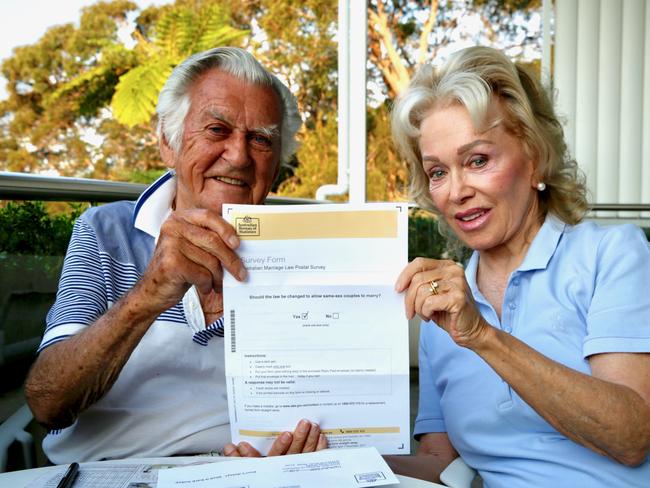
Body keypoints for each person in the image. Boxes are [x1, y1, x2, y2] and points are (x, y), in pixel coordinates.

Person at [24, 47, 326, 464]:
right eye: (217, 130)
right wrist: (150, 293)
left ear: (275, 167)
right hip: (115, 472)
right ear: (168, 142)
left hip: (251, 472)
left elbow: (333, 404)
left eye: (260, 139)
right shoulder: (105, 232)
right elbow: (48, 402)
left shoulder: (312, 256)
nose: (238, 156)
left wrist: (298, 449)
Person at [389, 46, 650, 486]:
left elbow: (631, 436)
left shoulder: (613, 253)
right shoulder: (440, 307)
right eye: (437, 172)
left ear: (534, 159)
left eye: (477, 161)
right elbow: (438, 467)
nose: (456, 191)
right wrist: (334, 457)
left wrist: (482, 337)